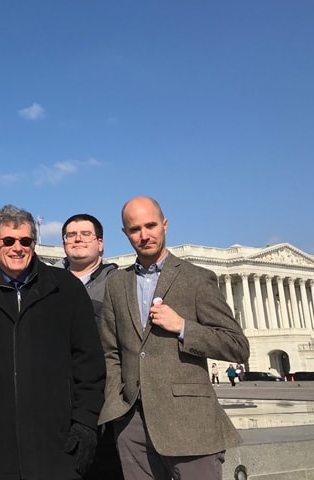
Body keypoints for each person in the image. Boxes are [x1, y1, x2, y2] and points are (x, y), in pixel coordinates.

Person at [99, 196, 249, 480]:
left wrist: (182, 326)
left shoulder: (196, 278)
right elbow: (111, 350)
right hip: (132, 422)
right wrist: (117, 403)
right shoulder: (117, 283)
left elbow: (237, 346)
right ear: (124, 233)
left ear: (165, 224)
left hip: (189, 421)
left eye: (151, 225)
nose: (144, 235)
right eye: (135, 229)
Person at [0, 205, 105, 480]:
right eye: (8, 241)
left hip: (58, 443)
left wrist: (86, 424)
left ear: (33, 244)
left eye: (25, 241)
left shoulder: (66, 288)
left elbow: (89, 363)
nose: (17, 248)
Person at [52, 212, 120, 479]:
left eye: (86, 234)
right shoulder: (47, 282)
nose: (78, 239)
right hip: (57, 401)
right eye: (71, 235)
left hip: (103, 401)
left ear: (100, 243)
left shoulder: (119, 282)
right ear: (64, 243)